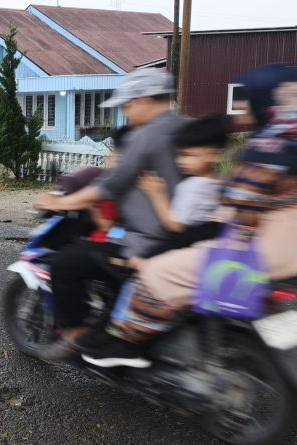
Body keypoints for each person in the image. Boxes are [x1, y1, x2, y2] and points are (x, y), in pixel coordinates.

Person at [82, 64, 297, 368]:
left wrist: (222, 239)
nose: (239, 110)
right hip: (290, 253)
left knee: (156, 271)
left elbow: (244, 211)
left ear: (266, 102)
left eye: (244, 101)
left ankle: (127, 341)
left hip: (262, 252)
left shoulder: (267, 149)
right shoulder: (289, 142)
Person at [35, 69, 188, 361]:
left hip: (147, 239)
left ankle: (77, 336)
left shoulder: (146, 135)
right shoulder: (186, 127)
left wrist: (59, 204)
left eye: (127, 105)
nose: (126, 113)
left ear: (143, 100)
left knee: (65, 264)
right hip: (184, 234)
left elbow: (108, 186)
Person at [117, 115, 227, 270]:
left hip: (183, 242)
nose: (181, 161)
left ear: (215, 155)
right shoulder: (221, 181)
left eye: (190, 155)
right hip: (206, 246)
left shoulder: (192, 186)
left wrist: (157, 195)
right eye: (180, 155)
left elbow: (176, 226)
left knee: (139, 265)